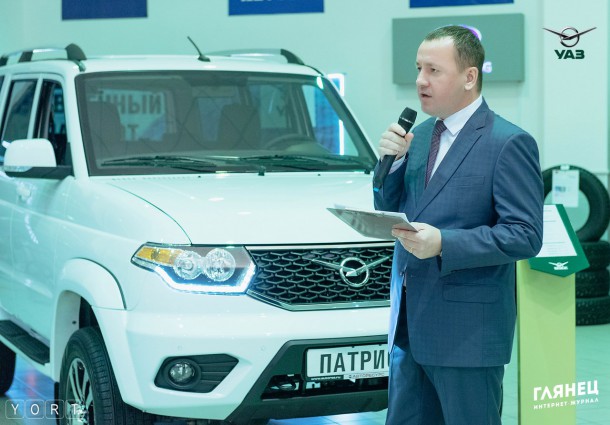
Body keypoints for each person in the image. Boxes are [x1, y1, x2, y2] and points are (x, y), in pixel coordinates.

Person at [374, 25, 544, 425]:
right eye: (418, 68)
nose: (421, 80)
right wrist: (391, 164)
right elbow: (389, 206)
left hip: (467, 336)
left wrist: (444, 243)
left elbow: (525, 235)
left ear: (470, 76)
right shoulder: (417, 137)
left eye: (434, 70)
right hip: (410, 329)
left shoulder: (507, 142)